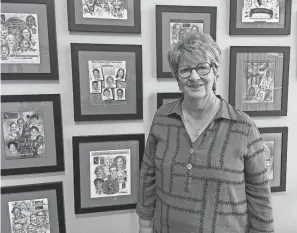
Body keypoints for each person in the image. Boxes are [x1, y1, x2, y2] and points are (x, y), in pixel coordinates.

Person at [136, 31, 274, 233]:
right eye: (185, 70)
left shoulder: (243, 127)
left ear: (215, 72)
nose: (194, 77)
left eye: (202, 67)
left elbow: (259, 194)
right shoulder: (162, 118)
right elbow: (148, 178)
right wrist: (144, 226)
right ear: (177, 76)